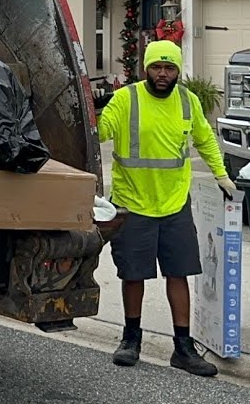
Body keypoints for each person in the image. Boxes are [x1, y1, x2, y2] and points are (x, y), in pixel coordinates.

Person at [97, 39, 235, 377]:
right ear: (146, 68)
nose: (162, 73)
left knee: (179, 273)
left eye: (169, 67)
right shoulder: (125, 99)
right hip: (132, 204)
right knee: (133, 275)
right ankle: (131, 339)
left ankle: (183, 348)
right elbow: (98, 133)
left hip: (174, 205)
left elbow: (205, 139)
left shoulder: (188, 102)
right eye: (156, 67)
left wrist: (223, 177)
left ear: (177, 71)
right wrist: (90, 111)